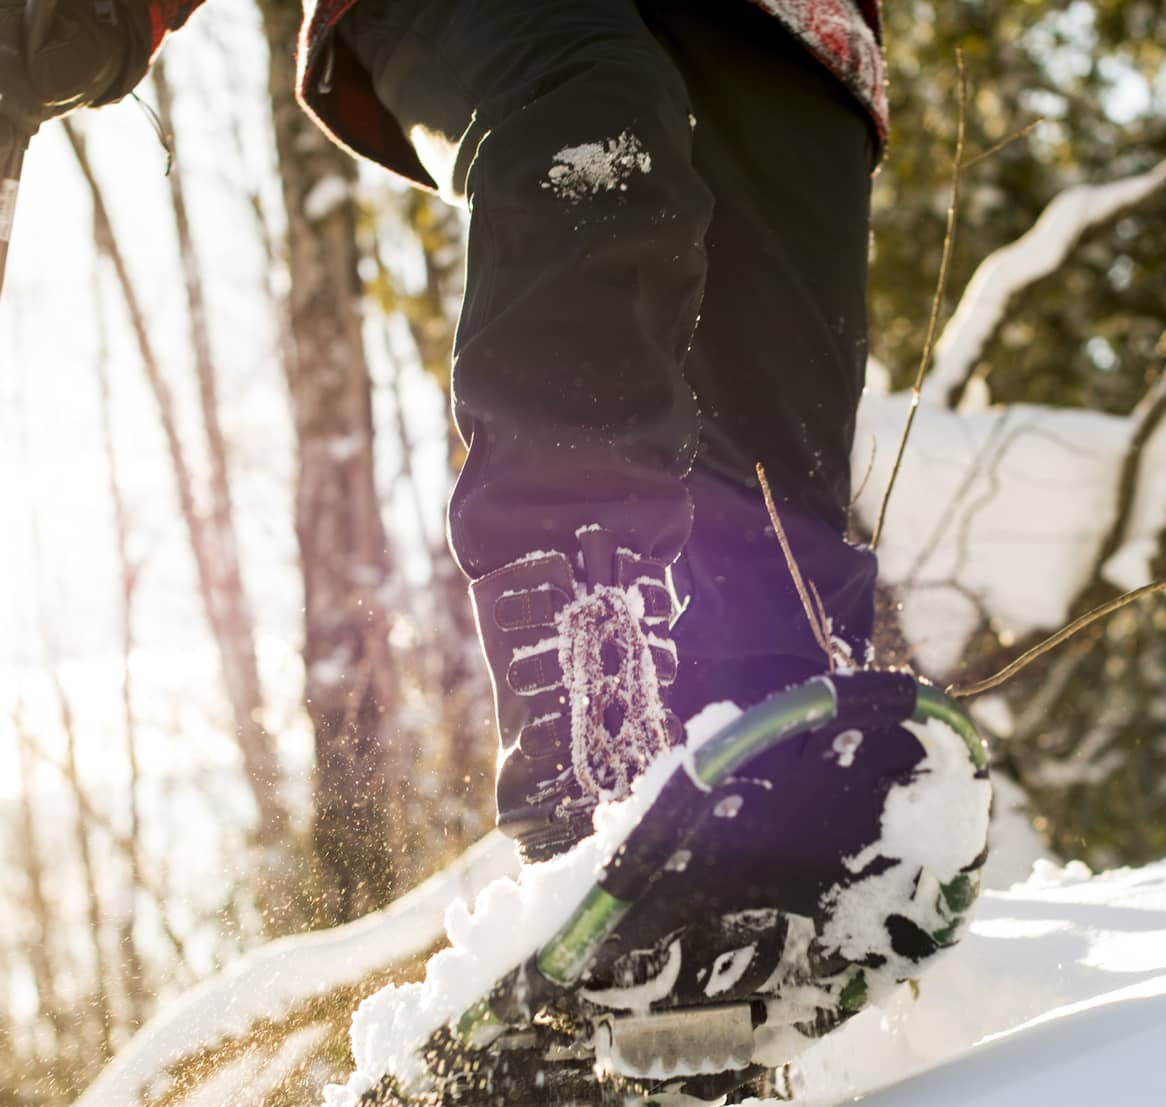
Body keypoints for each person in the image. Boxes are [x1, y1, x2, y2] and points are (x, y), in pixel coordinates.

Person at [0, 0, 891, 864]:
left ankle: (776, 774)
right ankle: (591, 697)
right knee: (592, 128)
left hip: (786, 31)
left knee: (776, 422)